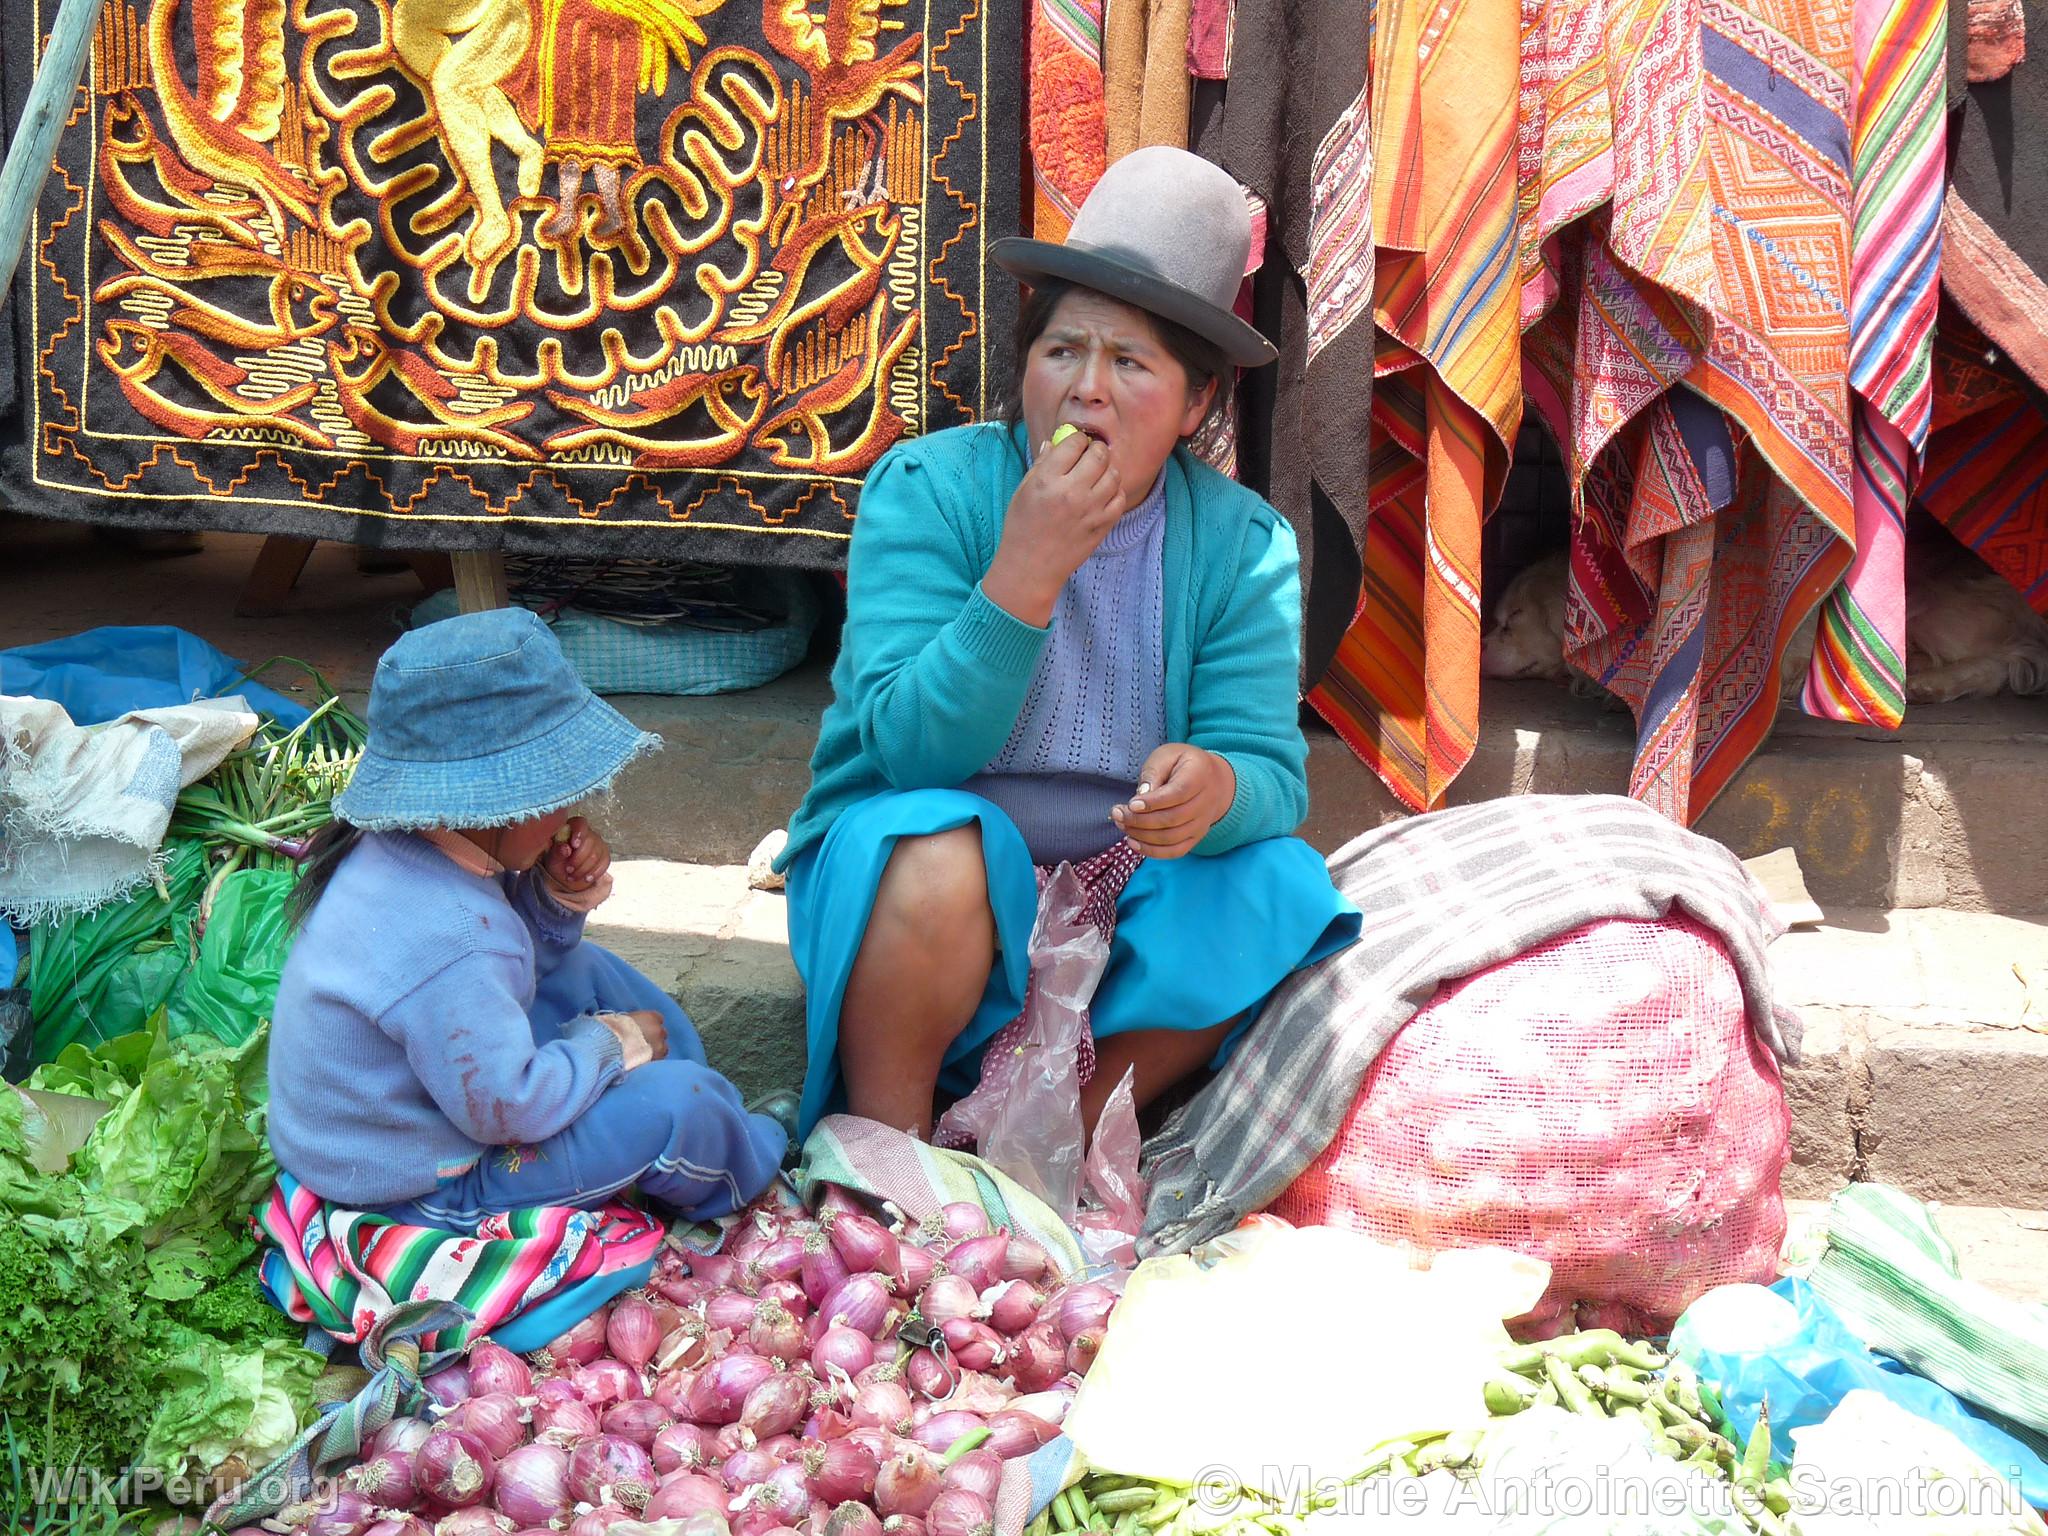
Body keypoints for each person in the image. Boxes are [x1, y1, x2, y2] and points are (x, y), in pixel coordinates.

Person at [776, 145, 1363, 1142]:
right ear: (1026, 364)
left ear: (1194, 405)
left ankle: (1049, 1141)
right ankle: (887, 1148)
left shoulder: (1240, 544)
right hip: (918, 909)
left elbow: (1270, 777)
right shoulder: (928, 492)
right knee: (936, 849)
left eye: (1129, 363)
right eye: (1061, 352)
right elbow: (908, 750)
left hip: (1117, 899)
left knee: (1277, 883)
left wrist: (1213, 789)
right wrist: (1024, 572)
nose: (1085, 389)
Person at [266, 608, 786, 1227]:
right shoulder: (452, 937)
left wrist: (551, 896)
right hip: (429, 1187)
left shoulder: (406, 851)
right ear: (497, 803)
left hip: (419, 1112)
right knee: (678, 1108)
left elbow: (501, 967)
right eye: (558, 788)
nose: (574, 807)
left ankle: (711, 1103)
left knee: (590, 969)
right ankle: (745, 1165)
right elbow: (506, 1107)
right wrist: (611, 1047)